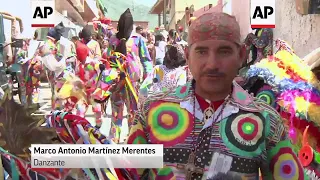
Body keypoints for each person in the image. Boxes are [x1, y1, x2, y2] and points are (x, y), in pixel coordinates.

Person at [126, 12, 304, 179]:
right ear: (188, 56)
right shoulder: (151, 111)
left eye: (224, 51)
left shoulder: (266, 120)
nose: (212, 64)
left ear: (241, 55)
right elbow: (127, 173)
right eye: (201, 51)